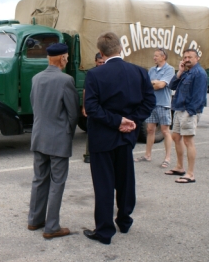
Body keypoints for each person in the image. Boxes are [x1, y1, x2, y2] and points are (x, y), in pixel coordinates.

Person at [83, 32, 155, 244]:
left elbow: (92, 108)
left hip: (102, 137)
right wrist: (131, 120)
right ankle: (124, 221)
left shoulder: (95, 75)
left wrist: (117, 121)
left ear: (102, 52)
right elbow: (150, 101)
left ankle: (104, 231)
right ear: (120, 48)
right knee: (125, 181)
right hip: (126, 137)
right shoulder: (139, 72)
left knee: (104, 185)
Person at [28, 43, 80, 239]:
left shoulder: (36, 78)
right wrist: (68, 132)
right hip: (58, 138)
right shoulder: (66, 80)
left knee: (39, 179)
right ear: (62, 58)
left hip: (39, 135)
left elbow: (35, 105)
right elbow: (73, 113)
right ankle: (51, 227)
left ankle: (34, 220)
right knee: (57, 182)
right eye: (66, 57)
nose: (67, 60)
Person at [165, 49, 207, 183]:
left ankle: (190, 174)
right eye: (185, 57)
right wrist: (180, 71)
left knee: (188, 141)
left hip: (189, 111)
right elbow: (171, 85)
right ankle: (179, 167)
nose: (187, 59)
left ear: (197, 58)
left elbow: (199, 96)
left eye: (190, 57)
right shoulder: (186, 72)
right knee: (176, 137)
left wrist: (190, 112)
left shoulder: (199, 73)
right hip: (179, 108)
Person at [134, 48, 175, 168]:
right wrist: (154, 83)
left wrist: (155, 83)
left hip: (163, 104)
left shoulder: (170, 69)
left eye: (157, 56)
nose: (154, 58)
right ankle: (147, 155)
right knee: (150, 130)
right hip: (151, 104)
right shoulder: (151, 70)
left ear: (163, 57)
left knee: (165, 131)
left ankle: (167, 158)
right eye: (154, 56)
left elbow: (162, 85)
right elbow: (147, 86)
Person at [82, 52, 105, 163]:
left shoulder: (108, 72)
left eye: (103, 62)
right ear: (95, 61)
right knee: (91, 128)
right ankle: (88, 154)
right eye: (99, 62)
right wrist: (84, 106)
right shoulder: (91, 73)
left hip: (104, 105)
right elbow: (85, 91)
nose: (101, 64)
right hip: (93, 105)